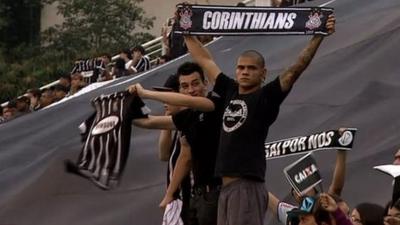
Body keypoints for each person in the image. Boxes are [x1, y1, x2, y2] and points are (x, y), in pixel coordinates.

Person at [183, 7, 336, 224]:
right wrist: (186, 30)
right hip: (225, 189)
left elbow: (295, 69)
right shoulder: (230, 90)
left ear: (263, 73)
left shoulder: (266, 97)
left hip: (246, 186)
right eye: (241, 67)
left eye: (251, 68)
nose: (244, 71)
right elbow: (204, 60)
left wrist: (318, 37)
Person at [130, 62, 223, 225]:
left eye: (195, 84)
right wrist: (123, 109)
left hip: (216, 193)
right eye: (185, 86)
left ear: (205, 83)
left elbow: (186, 157)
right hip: (197, 197)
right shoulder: (188, 118)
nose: (191, 90)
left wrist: (145, 93)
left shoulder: (213, 104)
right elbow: (150, 124)